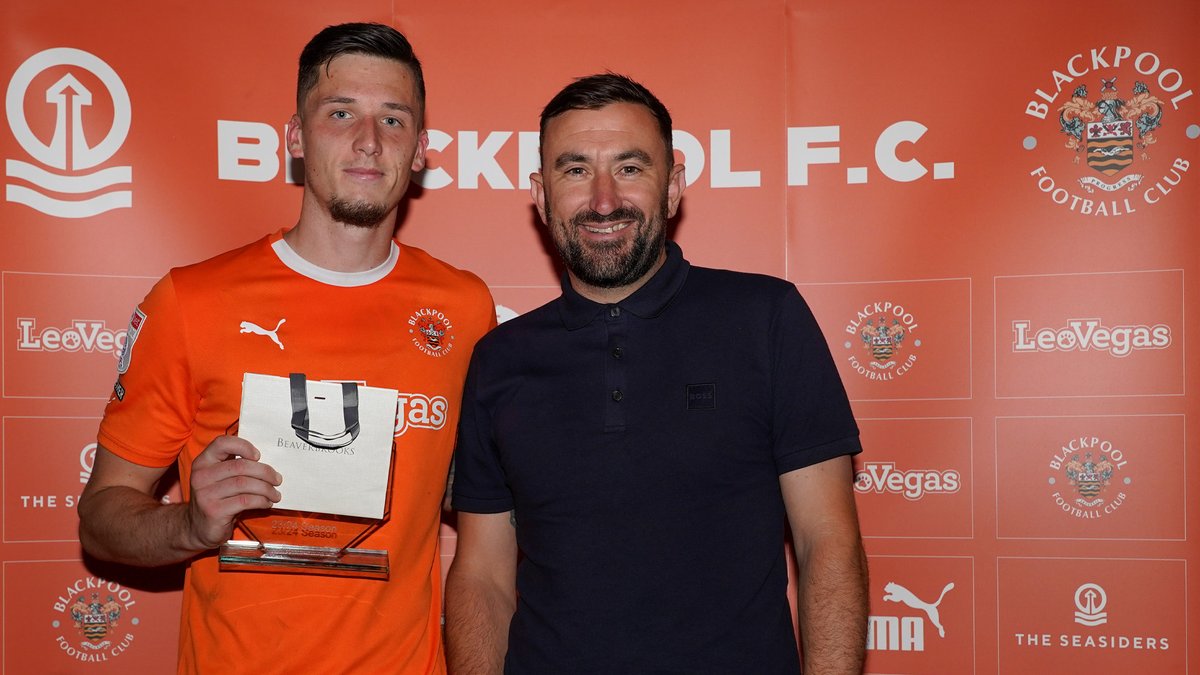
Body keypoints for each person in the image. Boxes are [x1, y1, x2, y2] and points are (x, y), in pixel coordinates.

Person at [78, 23, 495, 673]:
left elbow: (471, 492)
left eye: (393, 118)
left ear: (418, 150)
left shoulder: (465, 308)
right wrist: (190, 523)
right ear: (295, 138)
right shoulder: (192, 301)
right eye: (340, 113)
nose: (368, 140)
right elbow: (102, 516)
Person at [444, 73, 868, 674]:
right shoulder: (499, 358)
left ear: (673, 187)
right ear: (540, 194)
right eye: (574, 170)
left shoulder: (765, 318)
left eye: (630, 168)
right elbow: (482, 576)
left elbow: (828, 541)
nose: (603, 200)